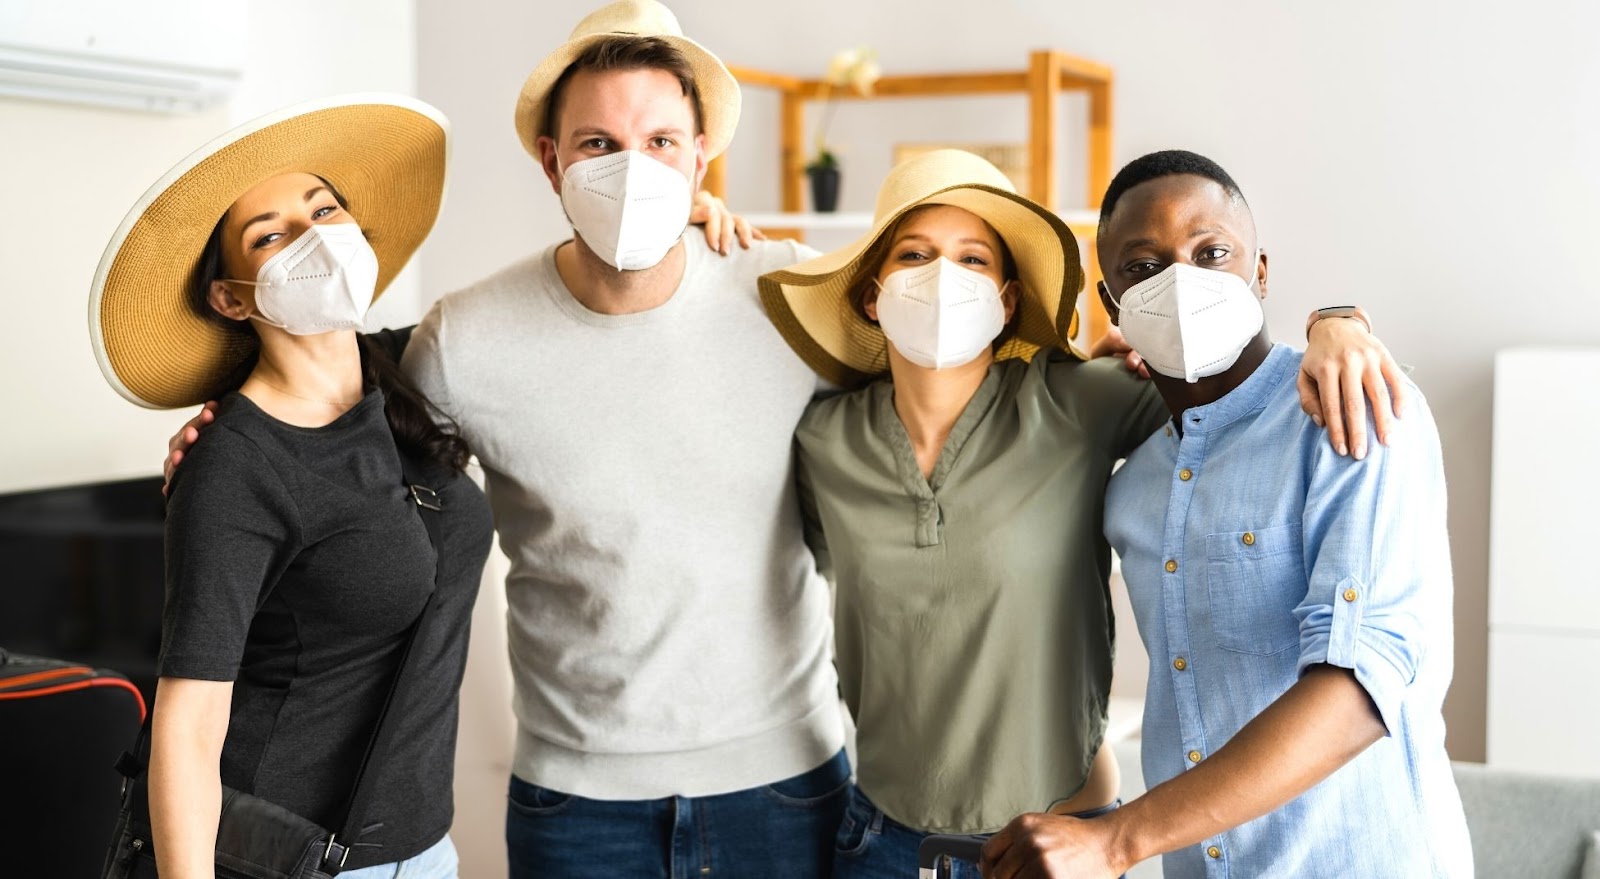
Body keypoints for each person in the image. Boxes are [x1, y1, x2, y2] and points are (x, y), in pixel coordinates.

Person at [159, 4, 1400, 875]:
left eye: (659, 141)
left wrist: (1333, 319)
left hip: (792, 792)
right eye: (596, 143)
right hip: (573, 804)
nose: (628, 168)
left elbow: (1152, 364)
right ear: (548, 160)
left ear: (704, 155)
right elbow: (358, 430)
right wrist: (227, 428)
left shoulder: (791, 316)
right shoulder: (460, 341)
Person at [757, 148, 1409, 879]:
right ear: (873, 295)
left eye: (973, 259)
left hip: (1063, 840)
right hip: (879, 839)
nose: (942, 278)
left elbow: (1232, 387)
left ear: (1007, 301)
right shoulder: (822, 439)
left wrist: (1338, 322)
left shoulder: (1079, 401)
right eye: (915, 254)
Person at [979, 150, 1470, 878]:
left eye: (1212, 252)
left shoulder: (1350, 409)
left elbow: (1361, 686)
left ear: (1260, 271)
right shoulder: (1135, 482)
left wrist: (1116, 840)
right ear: (1112, 300)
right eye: (1143, 268)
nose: (1182, 281)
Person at [89, 96, 495, 878]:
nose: (316, 239)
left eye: (325, 209)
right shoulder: (235, 463)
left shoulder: (398, 375)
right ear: (232, 296)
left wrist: (702, 215)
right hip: (298, 856)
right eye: (271, 234)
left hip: (422, 850)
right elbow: (189, 722)